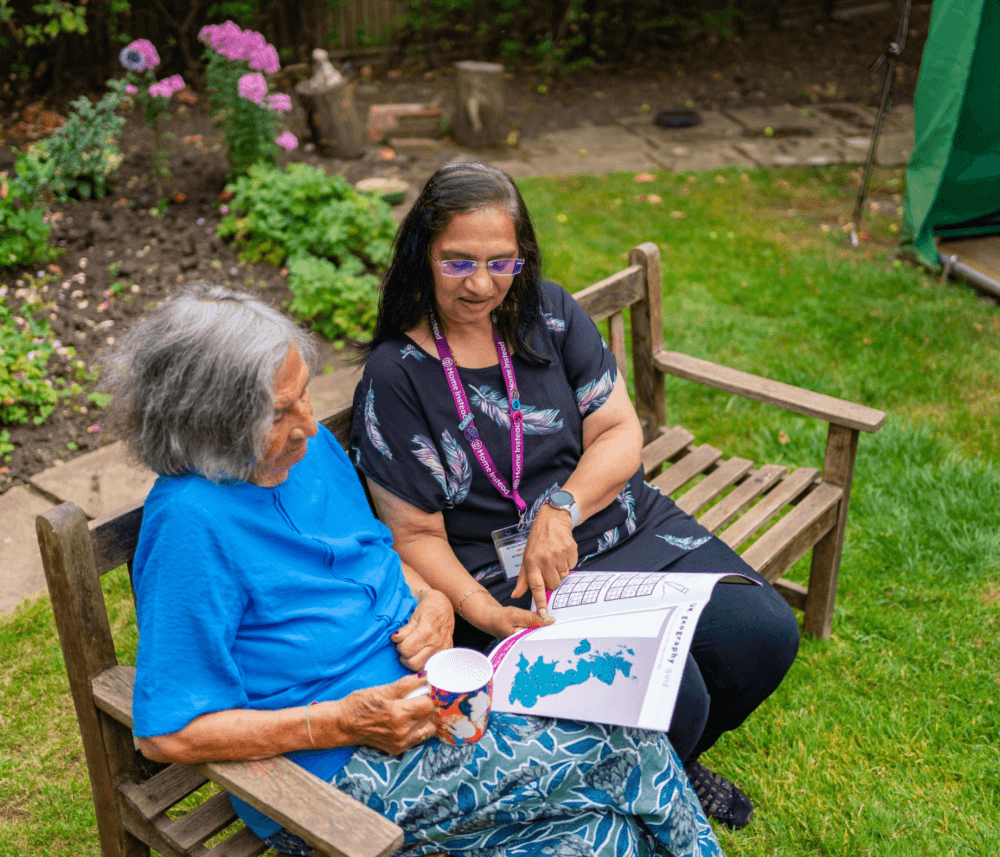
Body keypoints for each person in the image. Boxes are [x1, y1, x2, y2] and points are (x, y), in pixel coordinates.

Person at [106, 283, 722, 857]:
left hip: (437, 702)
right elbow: (169, 733)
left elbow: (380, 551)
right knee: (619, 736)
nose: (309, 426)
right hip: (331, 772)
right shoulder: (190, 525)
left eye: (304, 397)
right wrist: (339, 721)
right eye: (277, 414)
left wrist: (432, 601)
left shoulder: (309, 452)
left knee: (599, 837)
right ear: (207, 421)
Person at [349, 161, 801, 830]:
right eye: (458, 263)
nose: (481, 284)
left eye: (500, 262)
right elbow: (414, 534)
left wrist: (562, 507)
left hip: (613, 526)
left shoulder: (549, 315)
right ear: (423, 255)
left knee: (763, 634)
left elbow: (620, 431)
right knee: (676, 691)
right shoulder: (397, 376)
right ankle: (648, 784)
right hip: (504, 580)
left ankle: (670, 764)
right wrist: (484, 611)